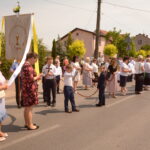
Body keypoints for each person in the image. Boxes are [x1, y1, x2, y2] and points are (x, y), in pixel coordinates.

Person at [21, 53, 42, 130]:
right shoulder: (28, 66)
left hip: (26, 89)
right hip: (29, 89)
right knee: (29, 107)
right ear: (32, 58)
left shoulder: (24, 65)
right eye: (35, 59)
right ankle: (30, 125)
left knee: (27, 107)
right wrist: (38, 77)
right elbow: (30, 79)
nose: (35, 61)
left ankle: (27, 123)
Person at [0, 58, 8, 142]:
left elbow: (4, 80)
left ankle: (0, 131)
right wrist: (2, 87)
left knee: (1, 115)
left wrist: (4, 84)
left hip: (1, 96)